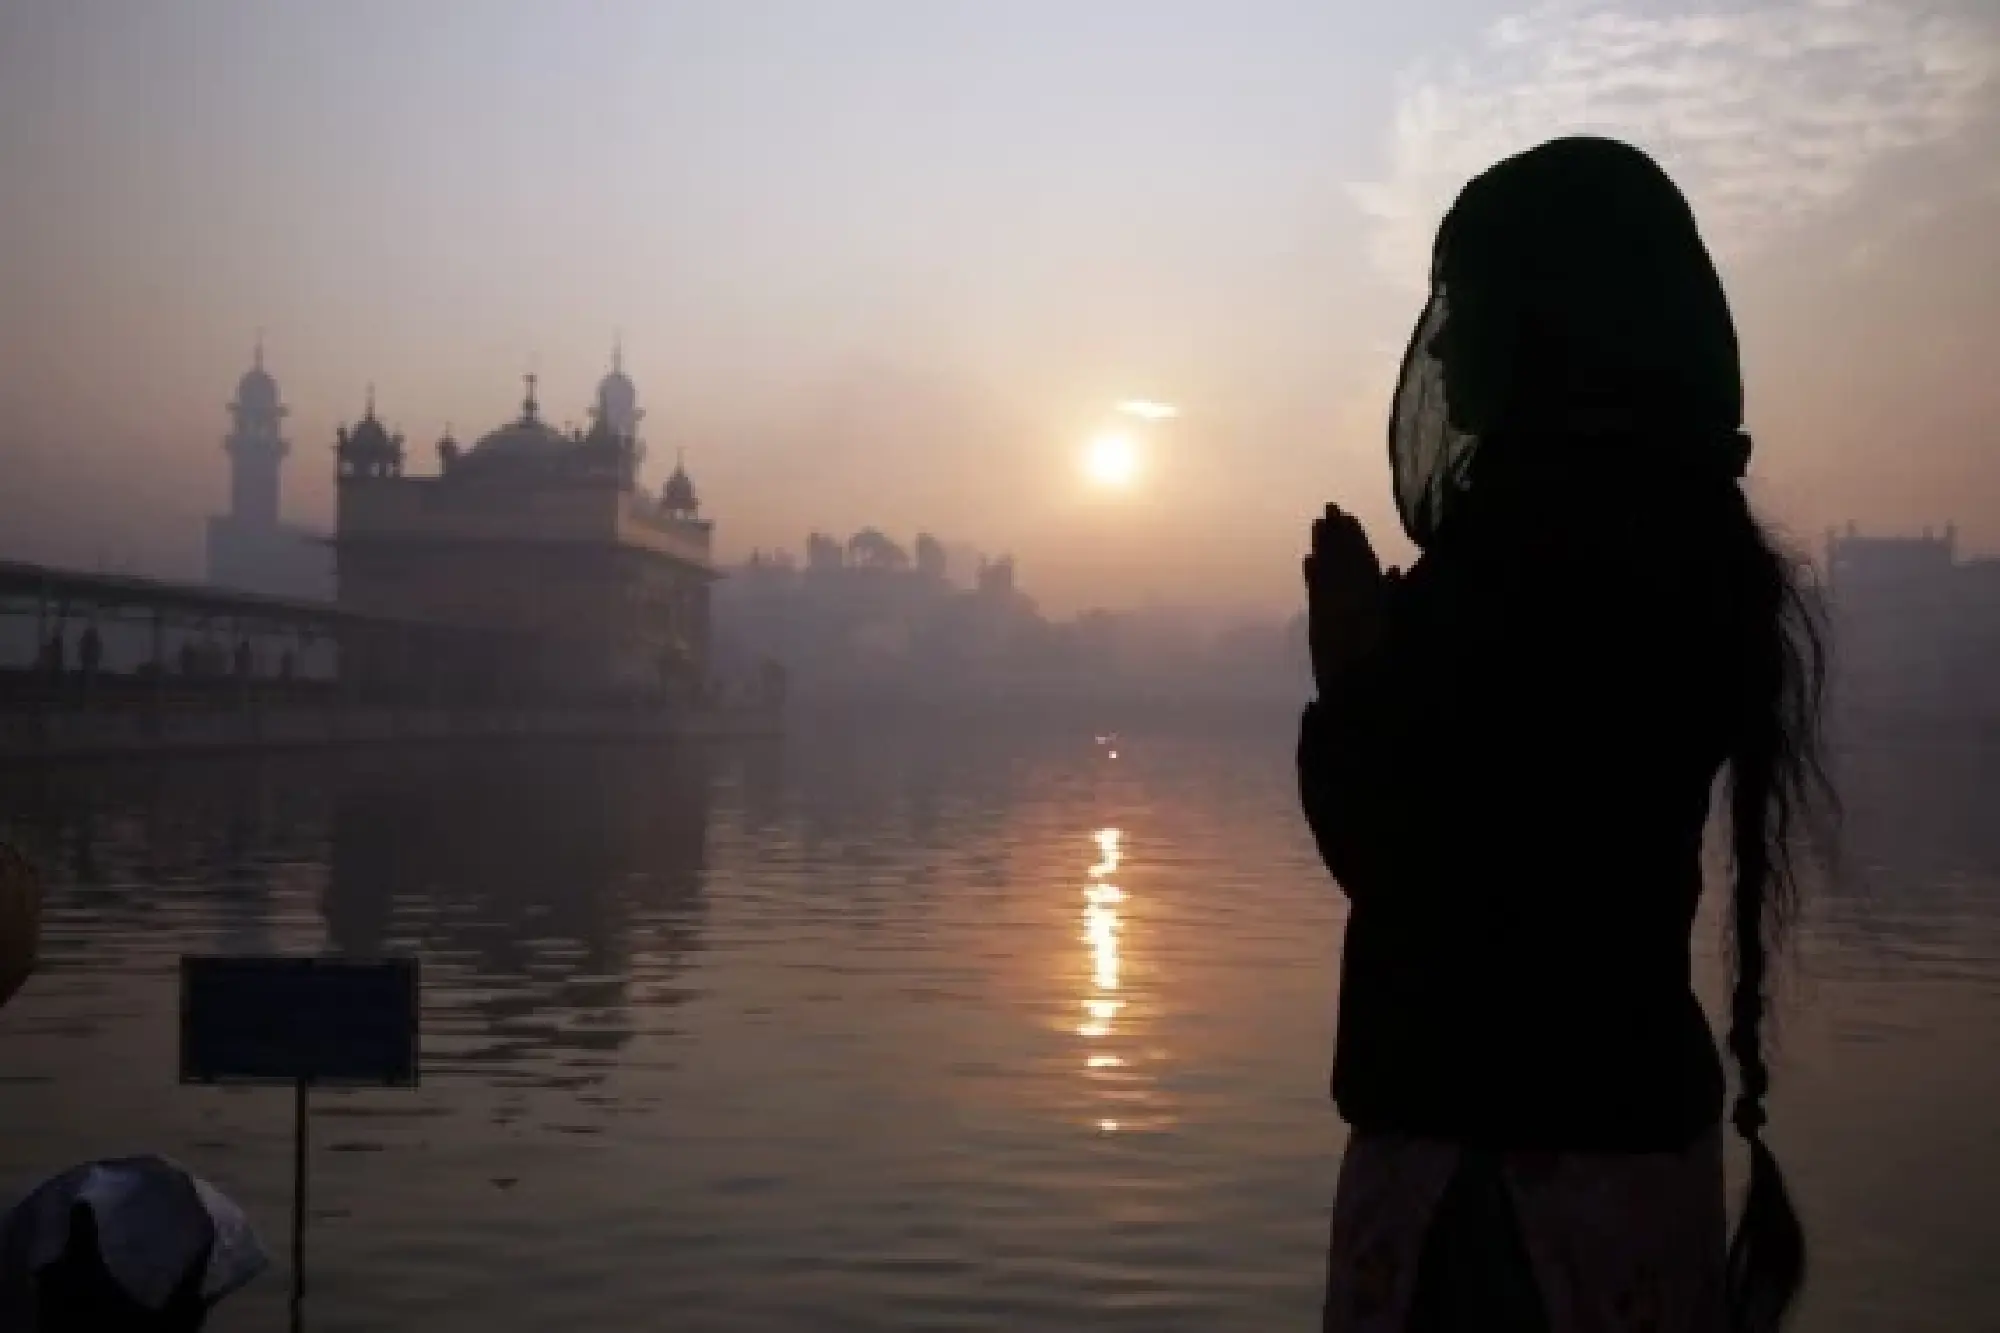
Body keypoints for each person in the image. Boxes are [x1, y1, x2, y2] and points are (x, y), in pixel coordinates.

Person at [1300, 137, 1831, 1333]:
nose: (1439, 345)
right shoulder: (1680, 549)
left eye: (1466, 308)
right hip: (1633, 1168)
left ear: (1549, 324)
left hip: (1489, 1196)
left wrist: (1349, 672)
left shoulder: (1519, 566)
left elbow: (1413, 862)